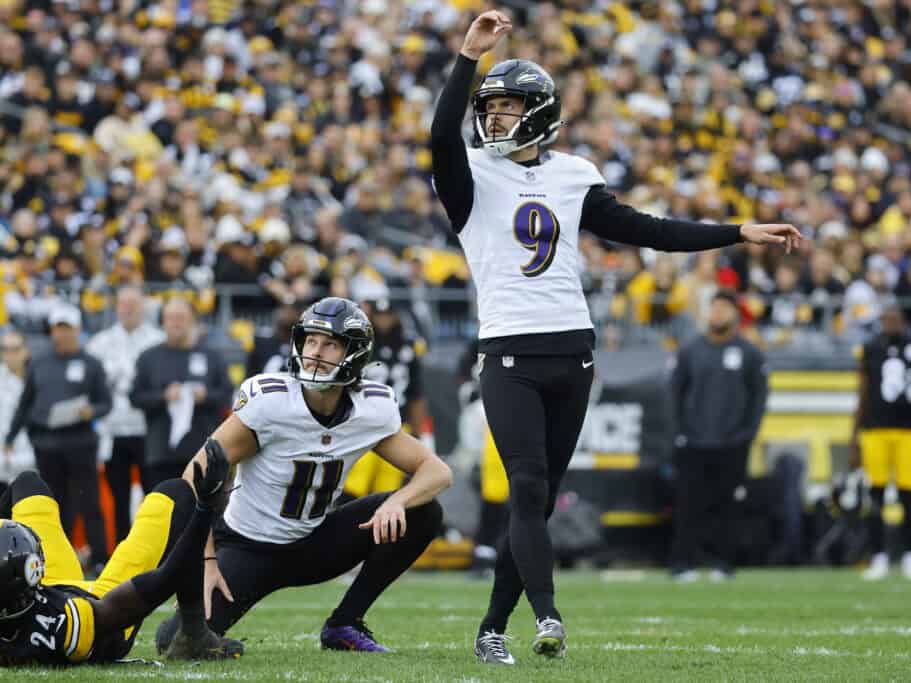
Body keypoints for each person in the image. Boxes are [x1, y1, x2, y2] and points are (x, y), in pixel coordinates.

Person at [429, 10, 801, 665]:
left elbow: (649, 229)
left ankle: (493, 625)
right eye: (488, 109)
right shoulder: (472, 178)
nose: (492, 119)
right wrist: (468, 57)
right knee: (526, 485)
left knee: (536, 503)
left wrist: (737, 230)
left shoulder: (573, 174)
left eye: (508, 106)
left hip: (573, 352)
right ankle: (548, 617)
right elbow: (439, 136)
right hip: (508, 353)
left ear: (540, 112)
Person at [154, 297, 451, 654]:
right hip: (248, 546)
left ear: (353, 353)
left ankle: (344, 623)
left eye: (330, 344)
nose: (316, 352)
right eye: (310, 340)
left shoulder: (369, 409)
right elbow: (194, 476)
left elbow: (438, 471)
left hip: (314, 542)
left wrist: (398, 501)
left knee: (424, 511)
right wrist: (206, 559)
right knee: (175, 642)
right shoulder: (270, 403)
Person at [0, 439, 241, 666]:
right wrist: (204, 510)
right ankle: (194, 634)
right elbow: (164, 580)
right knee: (178, 494)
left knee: (27, 483)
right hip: (99, 606)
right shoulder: (60, 625)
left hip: (49, 589)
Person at [3, 304, 111, 576]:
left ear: (76, 330)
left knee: (89, 502)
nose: (61, 334)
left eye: (66, 328)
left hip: (80, 441)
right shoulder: (39, 362)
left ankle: (99, 559)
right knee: (53, 503)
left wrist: (91, 411)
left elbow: (105, 402)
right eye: (57, 328)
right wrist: (11, 436)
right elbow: (25, 404)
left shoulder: (91, 363)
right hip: (47, 443)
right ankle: (52, 558)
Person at [669, 291, 769, 581]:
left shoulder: (749, 353)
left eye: (723, 308)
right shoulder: (690, 351)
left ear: (735, 314)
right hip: (694, 440)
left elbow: (758, 398)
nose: (717, 314)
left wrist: (747, 433)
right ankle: (683, 563)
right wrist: (680, 432)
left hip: (732, 443)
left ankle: (722, 563)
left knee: (728, 505)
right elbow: (675, 394)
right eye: (713, 308)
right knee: (688, 503)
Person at [851, 305, 911, 582]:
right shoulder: (870, 348)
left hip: (908, 430)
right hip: (875, 431)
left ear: (904, 321)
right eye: (885, 318)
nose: (890, 323)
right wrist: (853, 438)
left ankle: (910, 556)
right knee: (876, 497)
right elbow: (862, 393)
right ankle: (878, 556)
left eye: (894, 318)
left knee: (908, 496)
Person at [85, 285, 166, 541]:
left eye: (133, 303)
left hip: (147, 428)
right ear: (116, 306)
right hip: (113, 429)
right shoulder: (100, 343)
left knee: (153, 495)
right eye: (123, 303)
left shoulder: (157, 340)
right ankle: (121, 550)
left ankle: (154, 552)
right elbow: (90, 386)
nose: (128, 308)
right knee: (118, 496)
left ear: (143, 306)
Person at [130, 297, 232, 490]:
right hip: (160, 454)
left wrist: (205, 396)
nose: (175, 323)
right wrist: (163, 396)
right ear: (163, 322)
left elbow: (227, 395)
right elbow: (135, 397)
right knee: (163, 514)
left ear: (193, 321)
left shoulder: (212, 357)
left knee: (201, 515)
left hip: (203, 452)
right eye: (171, 318)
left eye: (181, 317)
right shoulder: (149, 357)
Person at [343, 294, 431, 499]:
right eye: (379, 315)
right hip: (363, 423)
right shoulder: (360, 345)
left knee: (388, 487)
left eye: (388, 315)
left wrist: (418, 432)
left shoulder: (408, 347)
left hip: (397, 425)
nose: (383, 320)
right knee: (356, 483)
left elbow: (416, 392)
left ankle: (378, 530)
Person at [0, 331, 34, 487]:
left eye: (15, 349)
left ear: (26, 351)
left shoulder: (39, 378)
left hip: (32, 460)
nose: (9, 354)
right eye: (5, 349)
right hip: (3, 461)